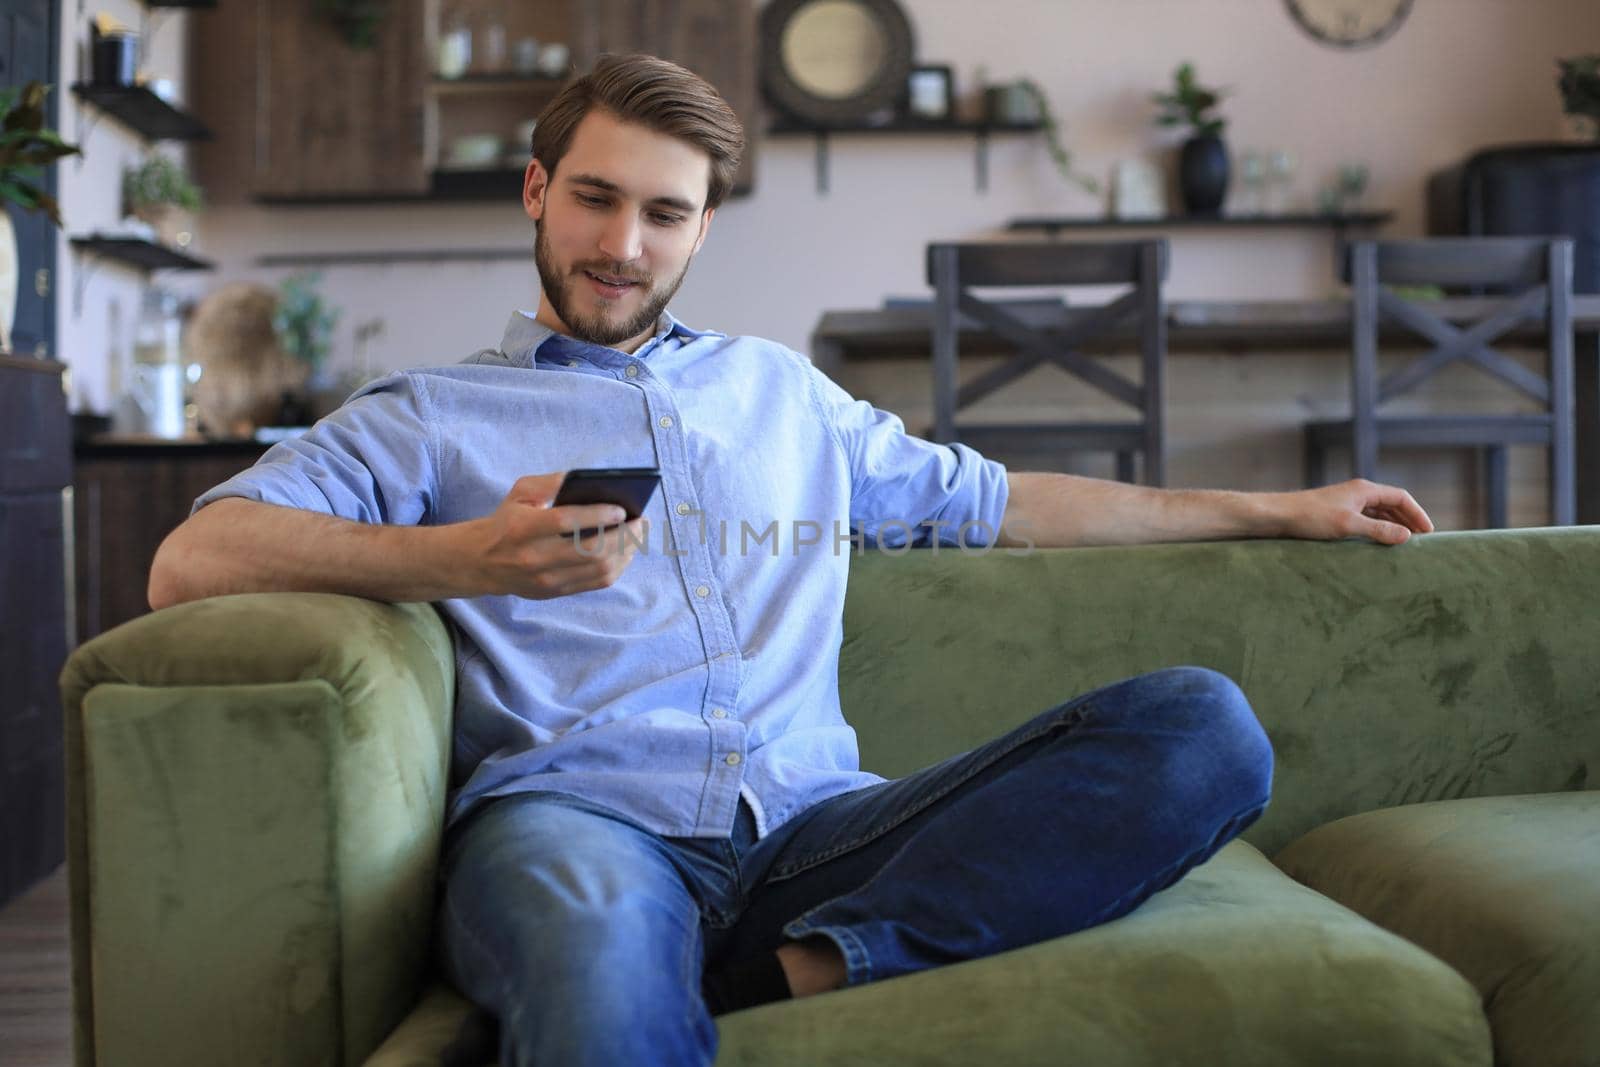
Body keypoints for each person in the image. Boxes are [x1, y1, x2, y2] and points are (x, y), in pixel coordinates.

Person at [149, 53, 1434, 1067]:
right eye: (596, 197)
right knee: (595, 971)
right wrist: (465, 555)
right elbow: (192, 559)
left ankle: (782, 973)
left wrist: (1278, 506)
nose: (625, 245)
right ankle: (662, 985)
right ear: (537, 190)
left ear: (704, 229)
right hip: (580, 826)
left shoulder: (784, 392)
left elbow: (1003, 501)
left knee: (1201, 726)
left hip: (817, 831)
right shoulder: (428, 412)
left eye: (666, 212)